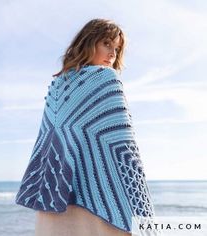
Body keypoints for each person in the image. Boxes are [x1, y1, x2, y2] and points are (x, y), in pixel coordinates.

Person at [15, 18, 156, 236]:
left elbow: (51, 141)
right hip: (98, 201)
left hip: (56, 195)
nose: (112, 54)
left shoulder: (58, 84)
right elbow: (124, 146)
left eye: (117, 49)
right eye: (107, 44)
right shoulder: (106, 77)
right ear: (89, 42)